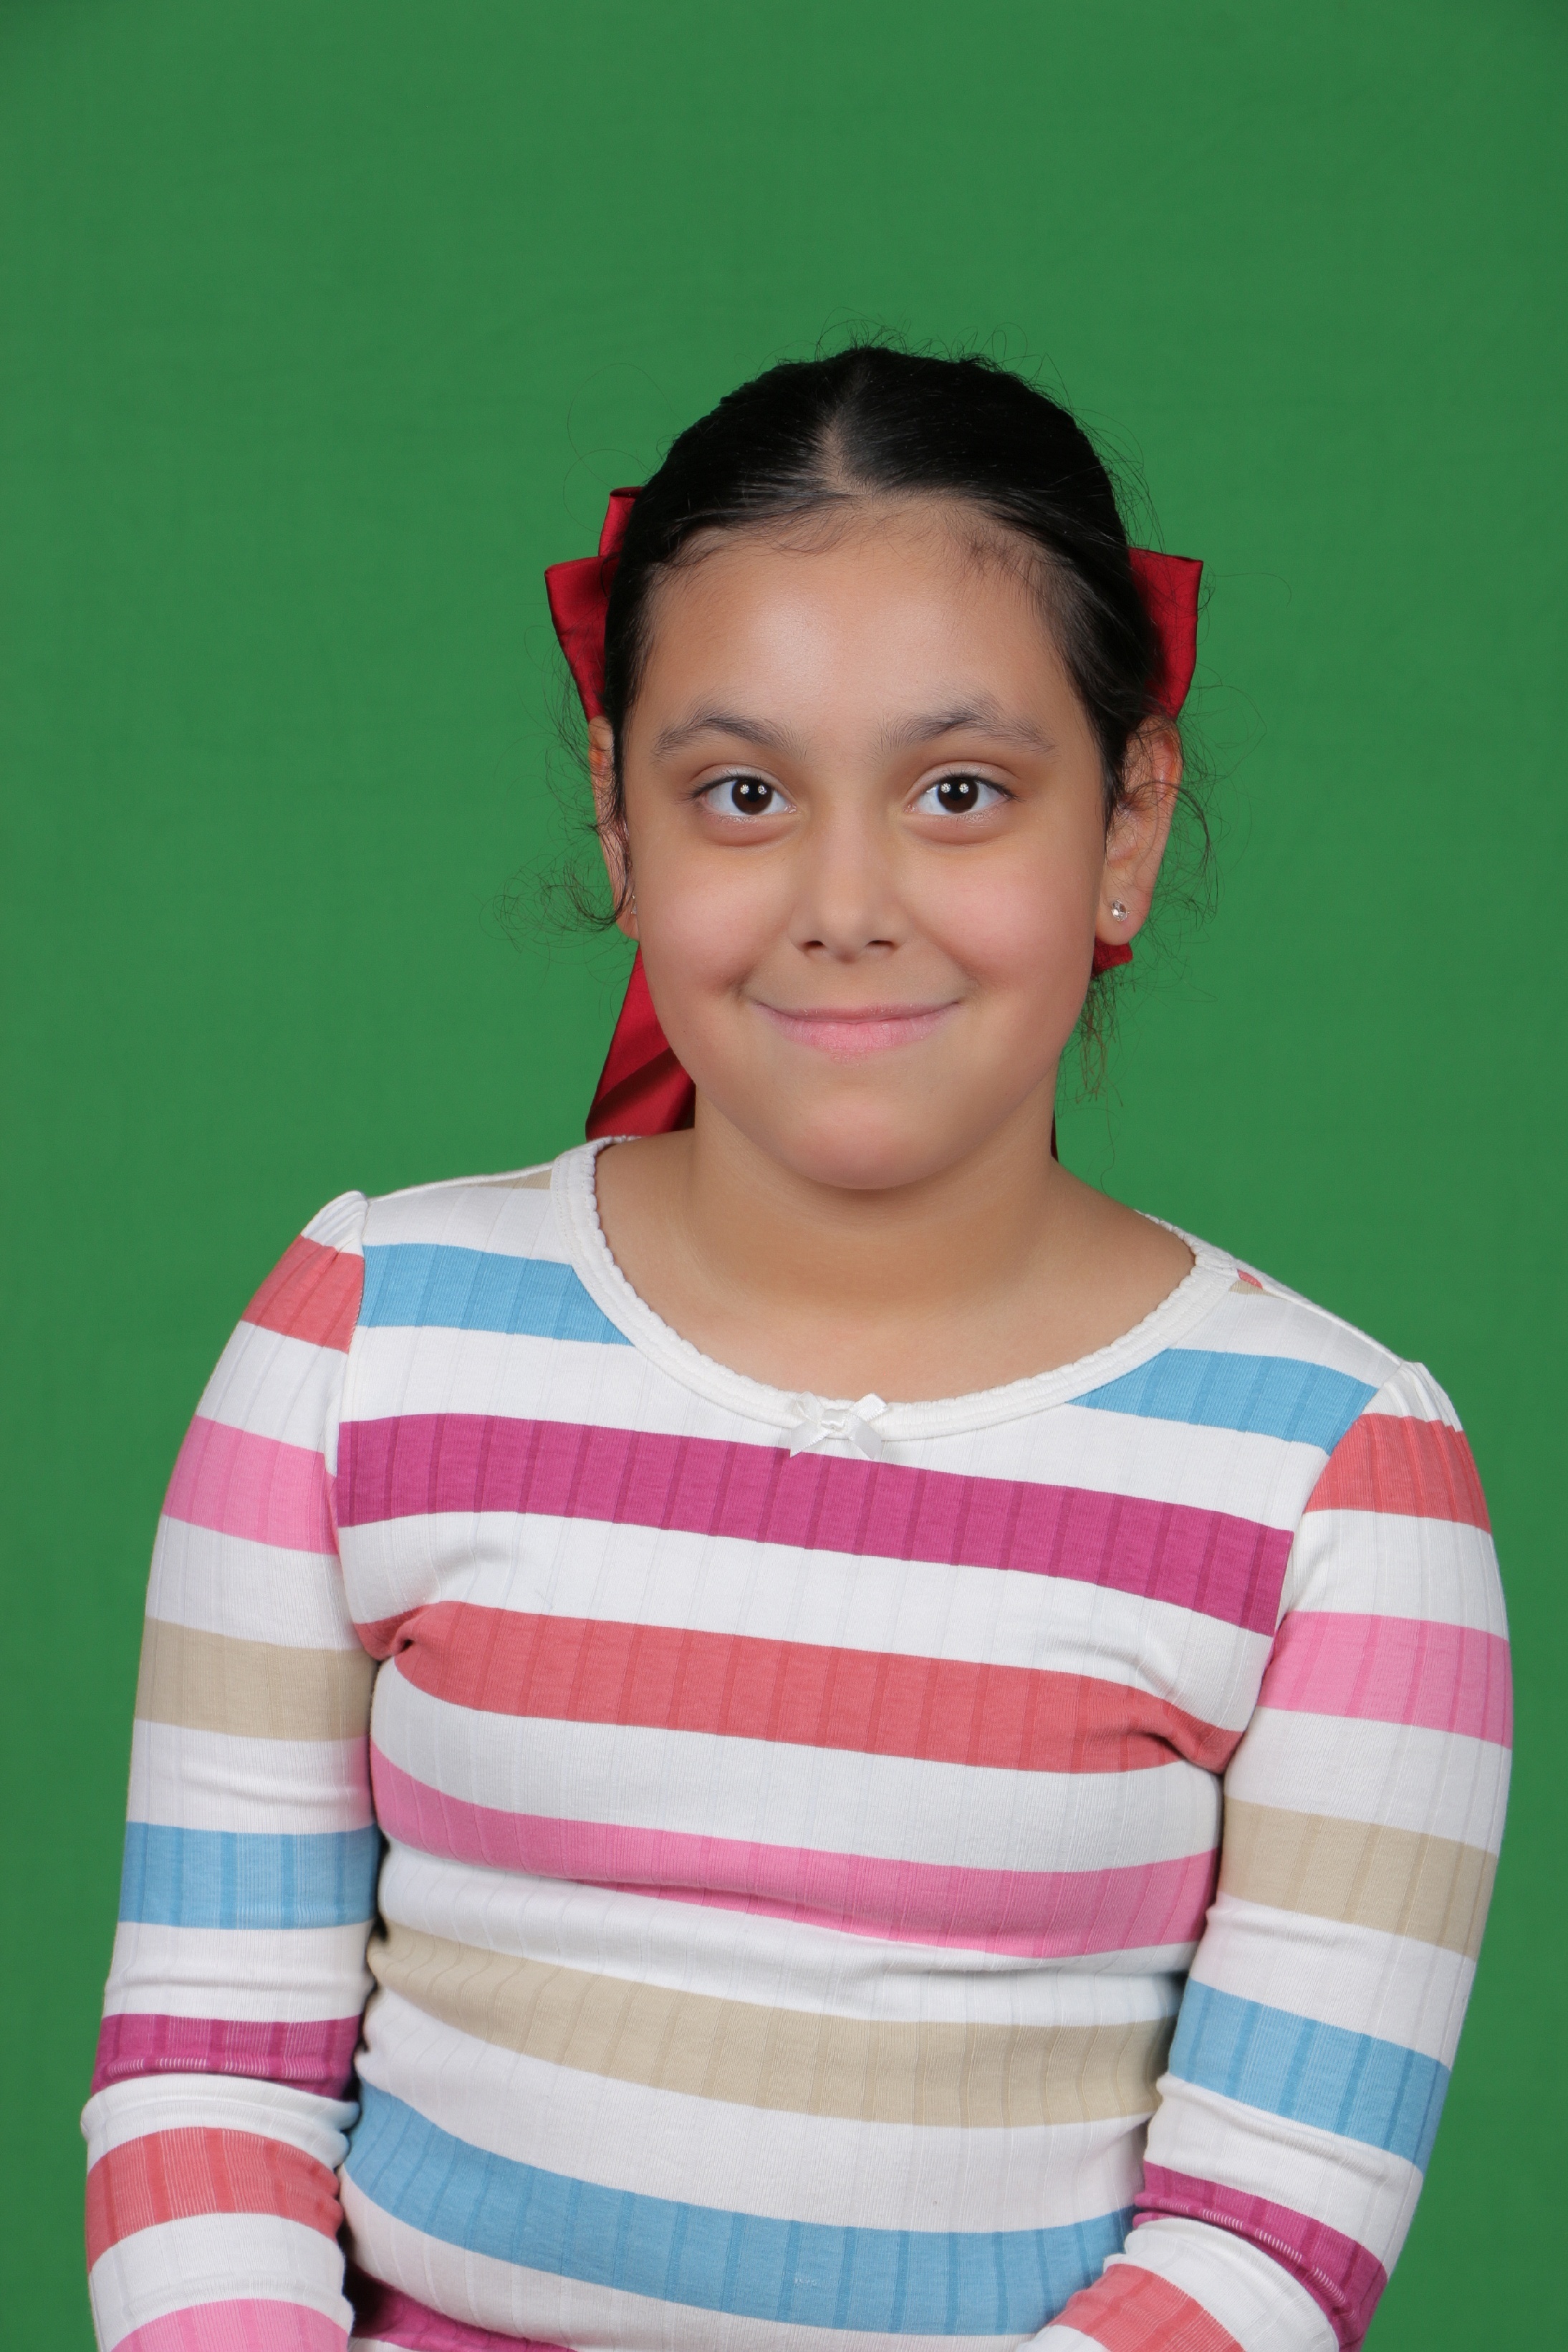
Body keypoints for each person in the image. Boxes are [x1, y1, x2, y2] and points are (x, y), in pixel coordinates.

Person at [83, 346, 1510, 2352]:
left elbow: (1274, 2238)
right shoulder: (361, 1337)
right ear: (620, 815)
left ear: (1129, 822)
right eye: (743, 793)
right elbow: (206, 2073)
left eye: (960, 792)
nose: (846, 903)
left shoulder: (1338, 1472)